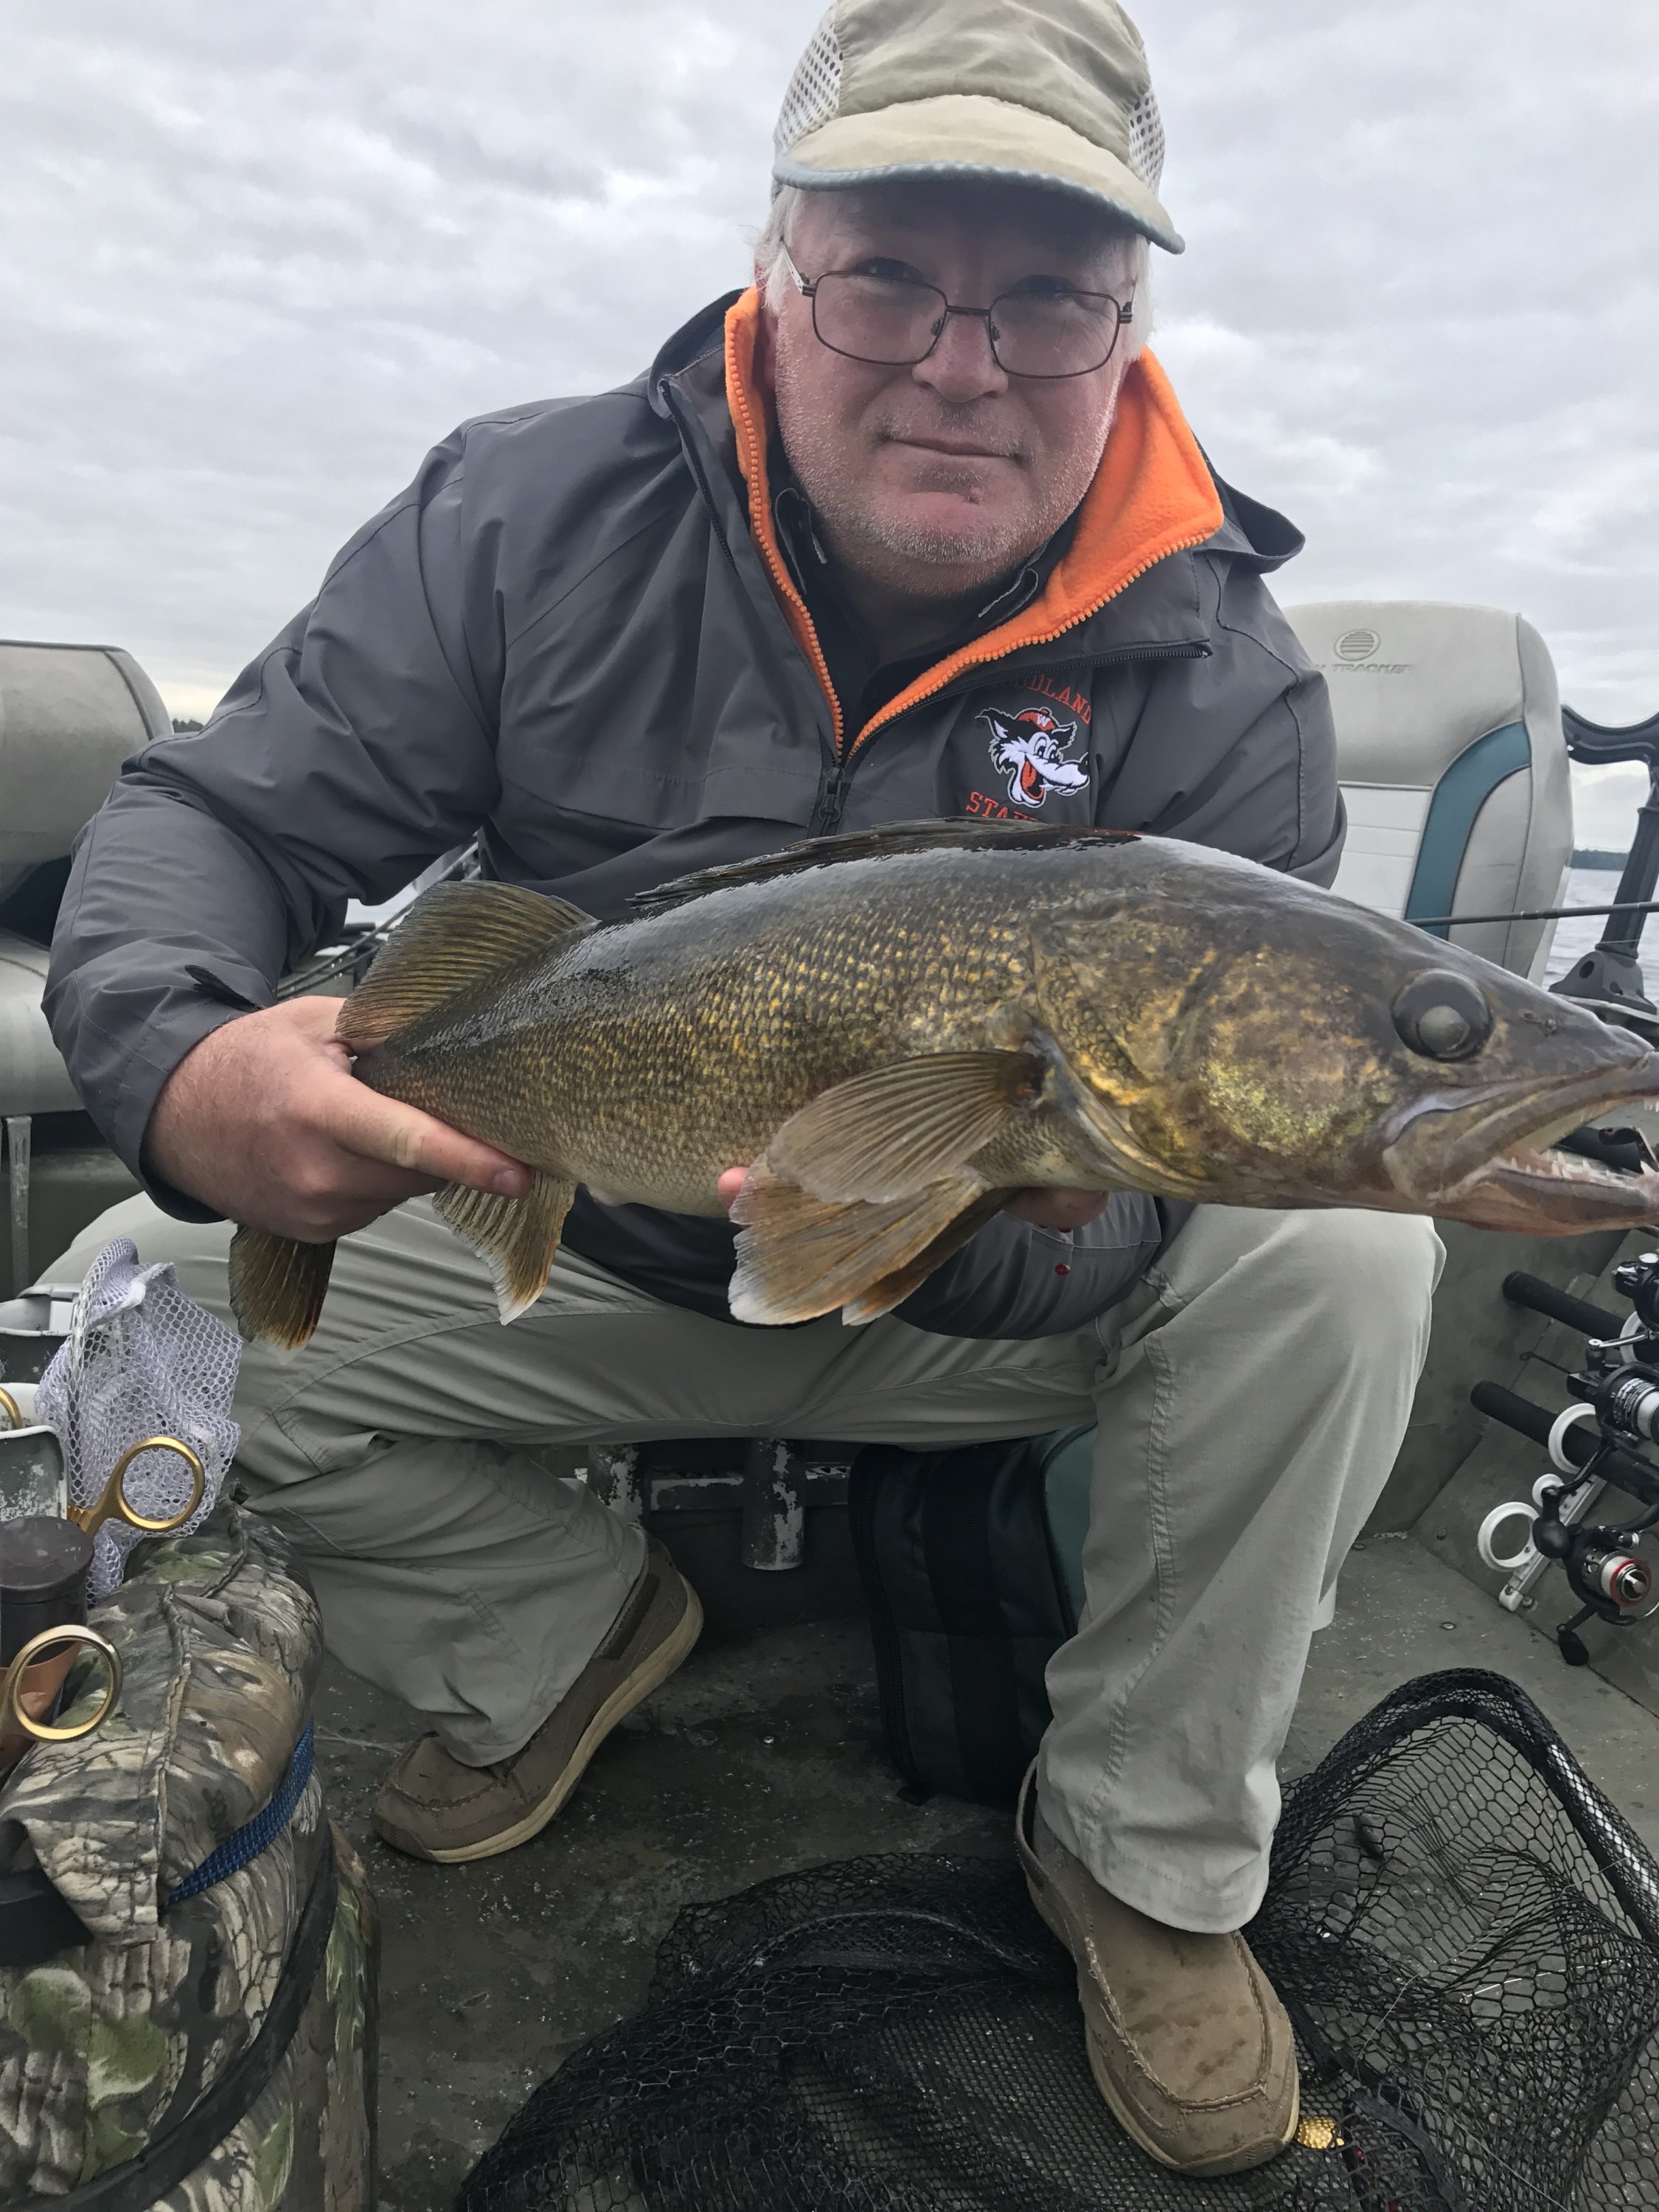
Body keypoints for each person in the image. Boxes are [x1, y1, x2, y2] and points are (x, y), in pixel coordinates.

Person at [46, 0, 1440, 2177]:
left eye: (1045, 299)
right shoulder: (525, 512)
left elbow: (1144, 1214)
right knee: (138, 1300)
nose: (961, 364)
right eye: (886, 277)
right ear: (773, 272)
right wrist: (192, 1058)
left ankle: (1149, 1860)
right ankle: (560, 1635)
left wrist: (956, 1203)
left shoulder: (1224, 680)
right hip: (585, 1229)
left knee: (1348, 1255)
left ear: (1126, 327)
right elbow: (215, 818)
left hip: (979, 1297)